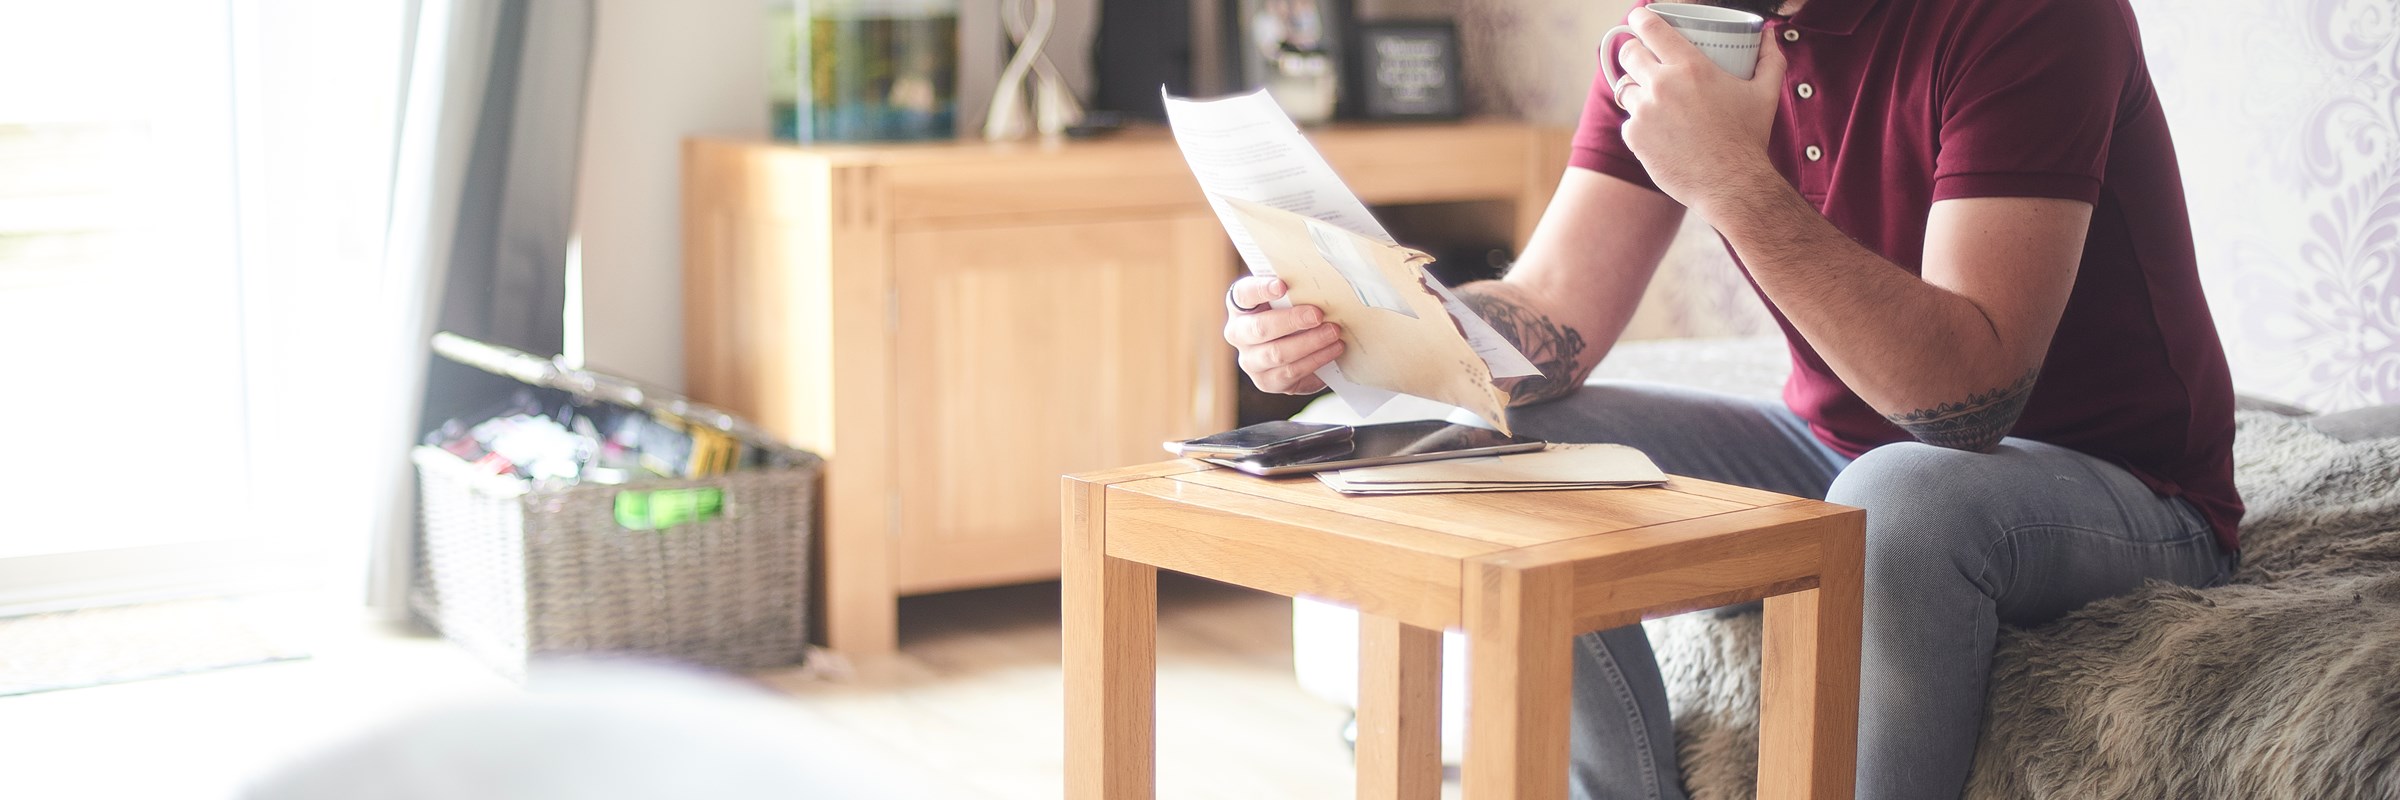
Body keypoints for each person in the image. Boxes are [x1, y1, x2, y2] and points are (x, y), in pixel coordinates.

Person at [1220, 0, 2242, 795]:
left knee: (1902, 497)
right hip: (1835, 451)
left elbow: (1968, 403)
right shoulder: (1676, 36)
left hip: (2120, 488)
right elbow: (1551, 309)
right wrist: (1373, 330)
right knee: (1479, 442)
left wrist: (1731, 182)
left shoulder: (2029, 18)